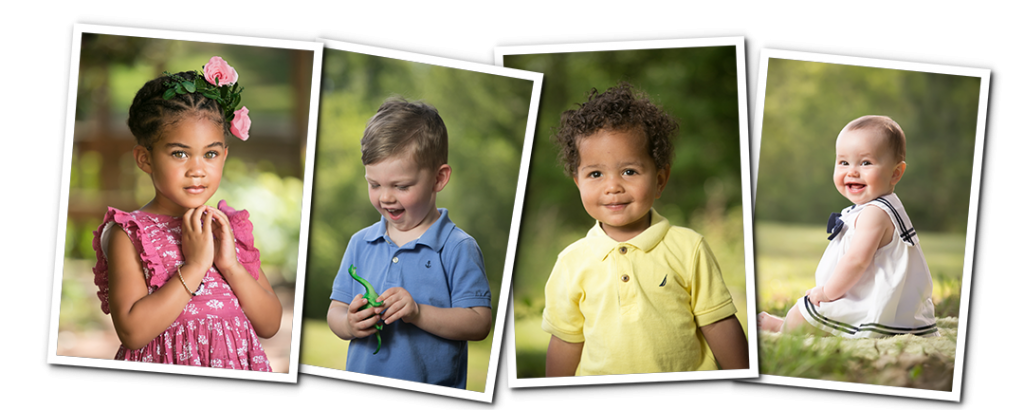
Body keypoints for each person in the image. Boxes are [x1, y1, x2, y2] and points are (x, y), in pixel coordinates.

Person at [543, 83, 748, 377]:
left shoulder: (688, 248)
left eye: (629, 171)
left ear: (660, 180)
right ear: (578, 182)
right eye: (595, 174)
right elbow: (565, 342)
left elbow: (718, 323)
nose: (612, 186)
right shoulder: (570, 261)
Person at [92, 56, 281, 370]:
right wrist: (195, 267)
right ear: (145, 159)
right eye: (179, 153)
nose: (197, 170)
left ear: (224, 155)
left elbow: (270, 323)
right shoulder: (129, 233)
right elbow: (133, 333)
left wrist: (231, 266)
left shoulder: (226, 228)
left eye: (210, 153)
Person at [326, 97, 492, 388]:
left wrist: (418, 312)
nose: (386, 197)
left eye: (401, 186)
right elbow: (335, 311)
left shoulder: (457, 247)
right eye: (374, 184)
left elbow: (479, 323)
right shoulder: (360, 243)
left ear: (439, 179)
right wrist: (349, 323)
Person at [757, 115, 937, 338]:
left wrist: (827, 292)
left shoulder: (876, 213)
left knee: (802, 314)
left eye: (866, 163)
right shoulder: (876, 207)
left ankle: (784, 328)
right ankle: (788, 323)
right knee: (803, 311)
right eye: (843, 162)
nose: (852, 171)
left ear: (895, 173)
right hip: (867, 293)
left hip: (875, 305)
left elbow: (856, 261)